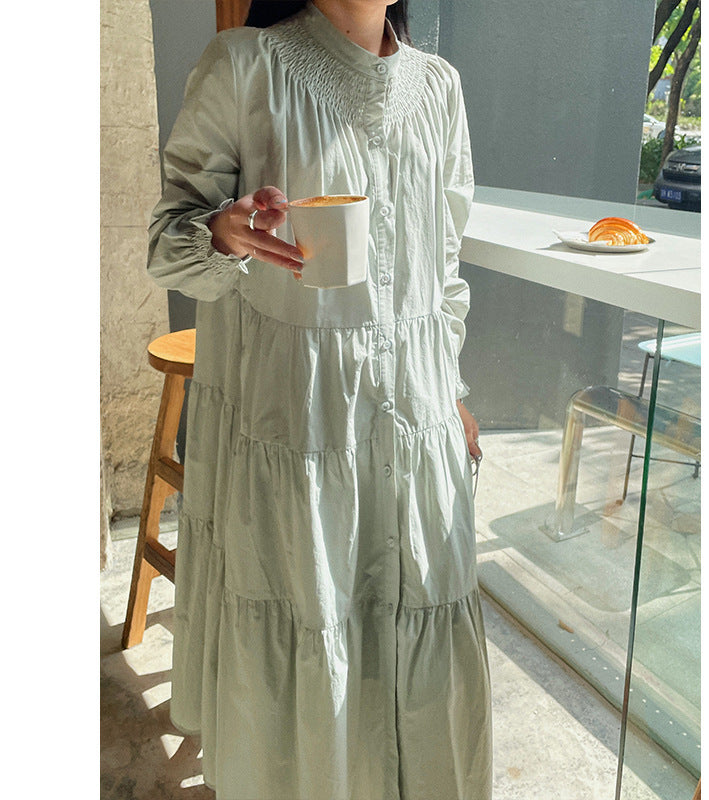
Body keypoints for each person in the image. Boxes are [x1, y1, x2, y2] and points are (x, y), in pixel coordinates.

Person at [147, 1, 491, 797]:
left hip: (417, 415)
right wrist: (224, 234)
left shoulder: (439, 86)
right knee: (313, 614)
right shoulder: (244, 64)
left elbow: (443, 267)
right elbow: (168, 247)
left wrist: (455, 392)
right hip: (296, 420)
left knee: (414, 616)